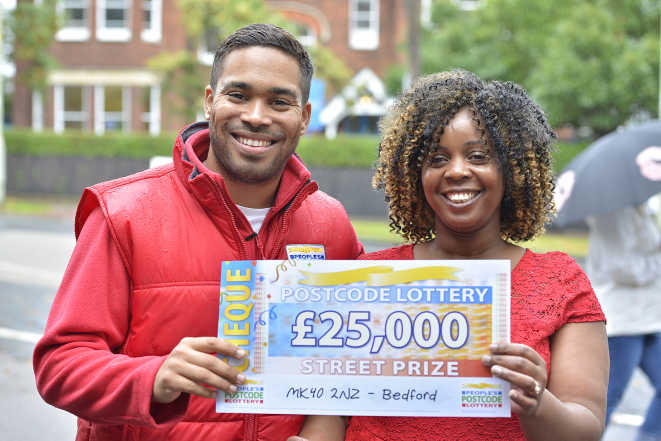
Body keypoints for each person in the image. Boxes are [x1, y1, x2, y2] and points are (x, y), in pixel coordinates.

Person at [33, 23, 363, 441]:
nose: (256, 116)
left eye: (279, 101)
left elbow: (352, 366)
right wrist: (154, 378)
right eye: (238, 95)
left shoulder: (331, 224)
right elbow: (59, 366)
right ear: (210, 102)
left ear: (304, 118)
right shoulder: (123, 213)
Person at [292, 70, 609, 441]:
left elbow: (586, 429)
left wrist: (536, 401)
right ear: (415, 175)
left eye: (478, 156)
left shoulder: (562, 283)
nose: (457, 171)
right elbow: (331, 407)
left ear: (511, 171)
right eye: (437, 159)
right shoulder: (369, 278)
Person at [585, 196, 661, 441]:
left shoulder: (643, 208)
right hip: (621, 322)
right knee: (608, 397)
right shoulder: (609, 214)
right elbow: (622, 268)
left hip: (649, 317)